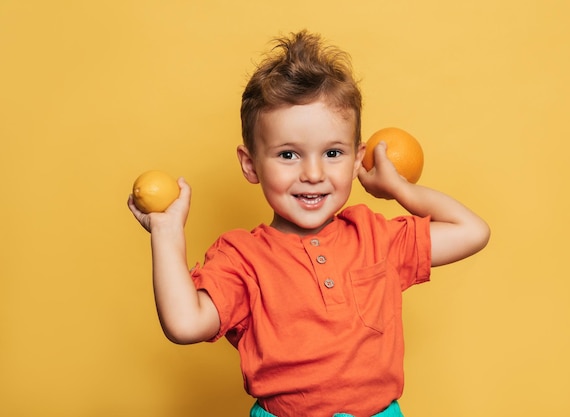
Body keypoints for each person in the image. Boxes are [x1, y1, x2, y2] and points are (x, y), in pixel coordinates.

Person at [129, 30, 490, 417]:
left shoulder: (375, 236)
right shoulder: (242, 258)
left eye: (333, 152)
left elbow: (472, 231)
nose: (314, 173)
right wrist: (166, 234)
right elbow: (184, 325)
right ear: (251, 164)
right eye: (288, 155)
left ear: (357, 160)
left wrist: (398, 188)